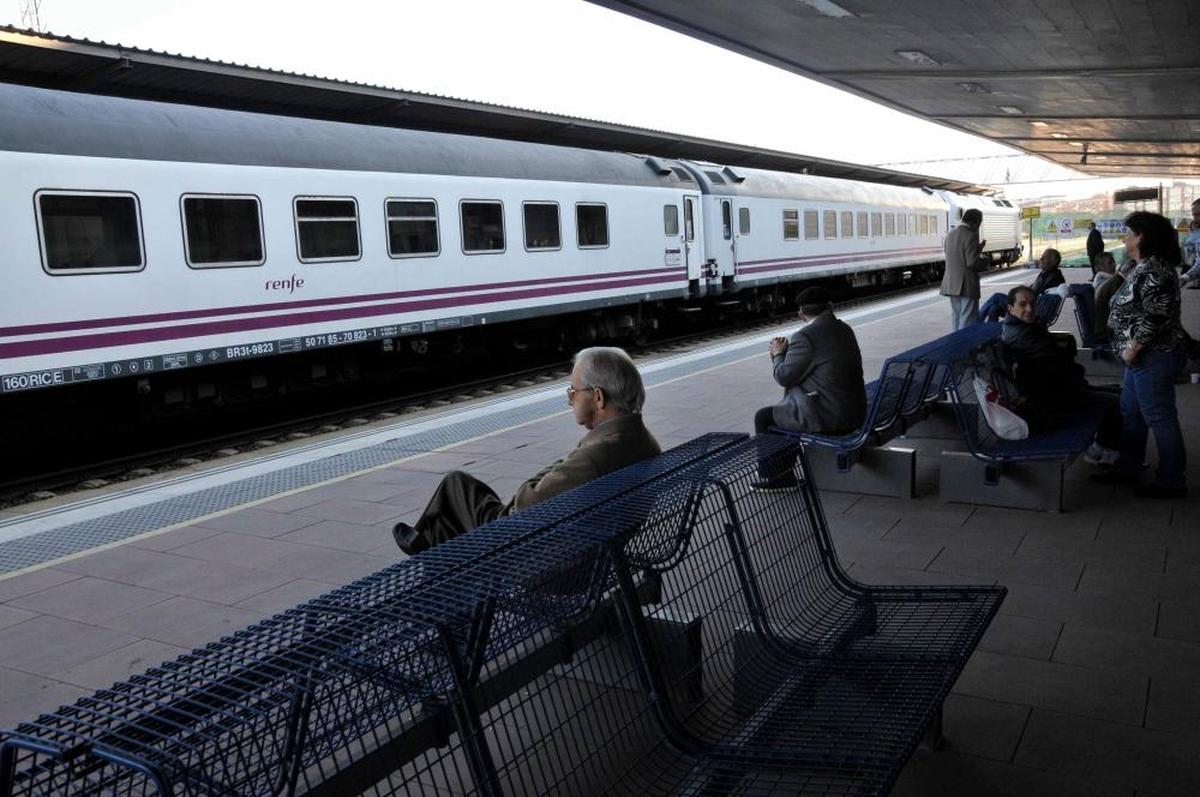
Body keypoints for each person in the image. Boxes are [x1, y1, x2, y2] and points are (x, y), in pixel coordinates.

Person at [391, 346, 661, 553]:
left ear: (598, 397)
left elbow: (524, 506)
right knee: (451, 521)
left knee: (456, 484)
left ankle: (428, 556)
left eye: (573, 392)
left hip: (549, 564)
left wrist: (541, 476)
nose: (570, 401)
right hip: (596, 552)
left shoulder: (597, 454)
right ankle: (429, 551)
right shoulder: (642, 441)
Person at [1093, 211, 1188, 499]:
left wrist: (1133, 348)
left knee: (1159, 416)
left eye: (1128, 233)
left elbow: (1157, 316)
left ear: (1141, 237)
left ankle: (1172, 480)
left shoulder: (1155, 270)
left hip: (1151, 356)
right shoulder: (1141, 266)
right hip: (1139, 359)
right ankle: (1128, 467)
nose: (1124, 238)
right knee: (1131, 414)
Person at [753, 287, 866, 488]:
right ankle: (782, 474)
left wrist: (778, 354)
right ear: (830, 307)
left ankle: (777, 479)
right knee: (787, 409)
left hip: (832, 418)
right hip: (855, 411)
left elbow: (784, 376)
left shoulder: (804, 336)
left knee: (764, 417)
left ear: (801, 314)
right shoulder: (845, 328)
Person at [1001, 285, 1121, 463]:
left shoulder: (1025, 326)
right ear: (1011, 308)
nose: (1030, 309)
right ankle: (1102, 452)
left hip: (1053, 388)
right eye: (1023, 304)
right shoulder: (1021, 334)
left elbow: (1057, 358)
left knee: (1118, 393)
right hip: (1049, 398)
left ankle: (1104, 448)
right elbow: (1058, 361)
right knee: (1118, 402)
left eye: (1033, 304)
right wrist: (1077, 376)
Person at [941, 208, 989, 330]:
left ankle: (956, 344)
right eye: (979, 223)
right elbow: (972, 262)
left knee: (956, 316)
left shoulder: (949, 235)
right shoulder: (970, 235)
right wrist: (986, 262)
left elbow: (959, 254)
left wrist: (978, 249)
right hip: (966, 284)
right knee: (968, 318)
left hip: (952, 282)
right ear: (976, 222)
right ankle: (966, 346)